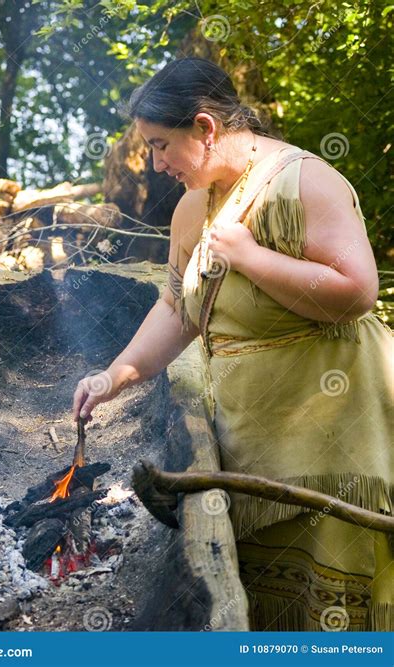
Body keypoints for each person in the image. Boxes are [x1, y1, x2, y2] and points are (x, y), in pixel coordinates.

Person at [72, 57, 393, 631]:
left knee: (336, 615)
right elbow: (176, 307)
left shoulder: (302, 181)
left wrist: (250, 255)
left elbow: (357, 292)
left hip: (333, 449)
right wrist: (114, 375)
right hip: (253, 451)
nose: (155, 162)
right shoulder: (193, 209)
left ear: (205, 127)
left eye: (160, 144)